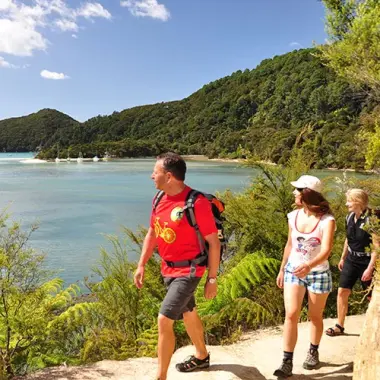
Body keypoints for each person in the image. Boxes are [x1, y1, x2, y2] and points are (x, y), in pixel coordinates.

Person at [134, 152, 220, 380]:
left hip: (190, 269)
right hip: (168, 268)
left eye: (155, 172)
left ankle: (160, 376)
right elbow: (152, 233)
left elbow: (213, 242)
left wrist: (212, 279)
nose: (152, 176)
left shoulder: (196, 202)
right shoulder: (159, 199)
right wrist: (141, 264)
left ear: (169, 176)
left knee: (164, 319)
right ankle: (202, 356)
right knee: (188, 312)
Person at [274, 175, 336, 378]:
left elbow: (326, 250)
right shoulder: (292, 216)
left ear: (307, 194)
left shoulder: (327, 220)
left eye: (298, 190)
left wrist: (309, 266)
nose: (294, 193)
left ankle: (313, 350)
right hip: (294, 271)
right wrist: (283, 268)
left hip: (318, 273)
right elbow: (289, 244)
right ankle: (286, 361)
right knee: (291, 314)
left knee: (314, 316)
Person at [326, 189, 379, 337]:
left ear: (358, 202)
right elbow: (348, 239)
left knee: (371, 297)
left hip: (367, 261)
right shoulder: (349, 217)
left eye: (349, 200)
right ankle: (339, 325)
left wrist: (370, 268)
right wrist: (343, 257)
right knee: (342, 291)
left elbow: (376, 246)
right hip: (351, 259)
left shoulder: (371, 220)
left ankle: (373, 327)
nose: (346, 203)